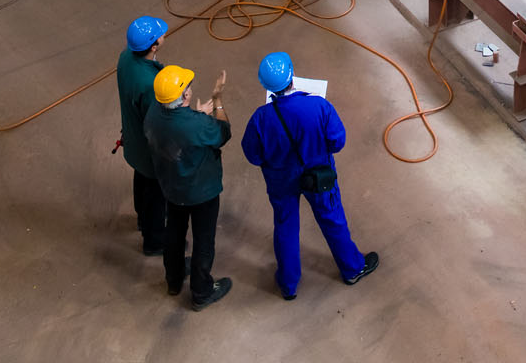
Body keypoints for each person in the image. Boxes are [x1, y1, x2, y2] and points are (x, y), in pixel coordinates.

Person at [239, 51, 379, 300]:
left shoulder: (260, 119)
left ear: (266, 86)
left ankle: (288, 284)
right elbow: (337, 142)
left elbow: (253, 156)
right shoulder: (319, 106)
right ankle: (352, 268)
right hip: (318, 176)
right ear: (292, 77)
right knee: (332, 219)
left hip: (281, 180)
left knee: (285, 226)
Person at [145, 65, 233, 309]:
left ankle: (173, 280)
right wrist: (217, 101)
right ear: (185, 95)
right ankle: (201, 291)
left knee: (174, 231)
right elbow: (223, 133)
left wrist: (195, 116)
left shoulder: (153, 112)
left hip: (171, 186)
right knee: (204, 239)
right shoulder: (197, 125)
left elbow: (177, 129)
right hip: (201, 191)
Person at [115, 16, 168, 256]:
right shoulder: (151, 84)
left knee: (142, 180)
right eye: (160, 35)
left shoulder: (125, 58)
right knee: (155, 193)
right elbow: (157, 123)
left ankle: (141, 219)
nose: (164, 35)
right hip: (149, 150)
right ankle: (154, 241)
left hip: (133, 138)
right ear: (153, 46)